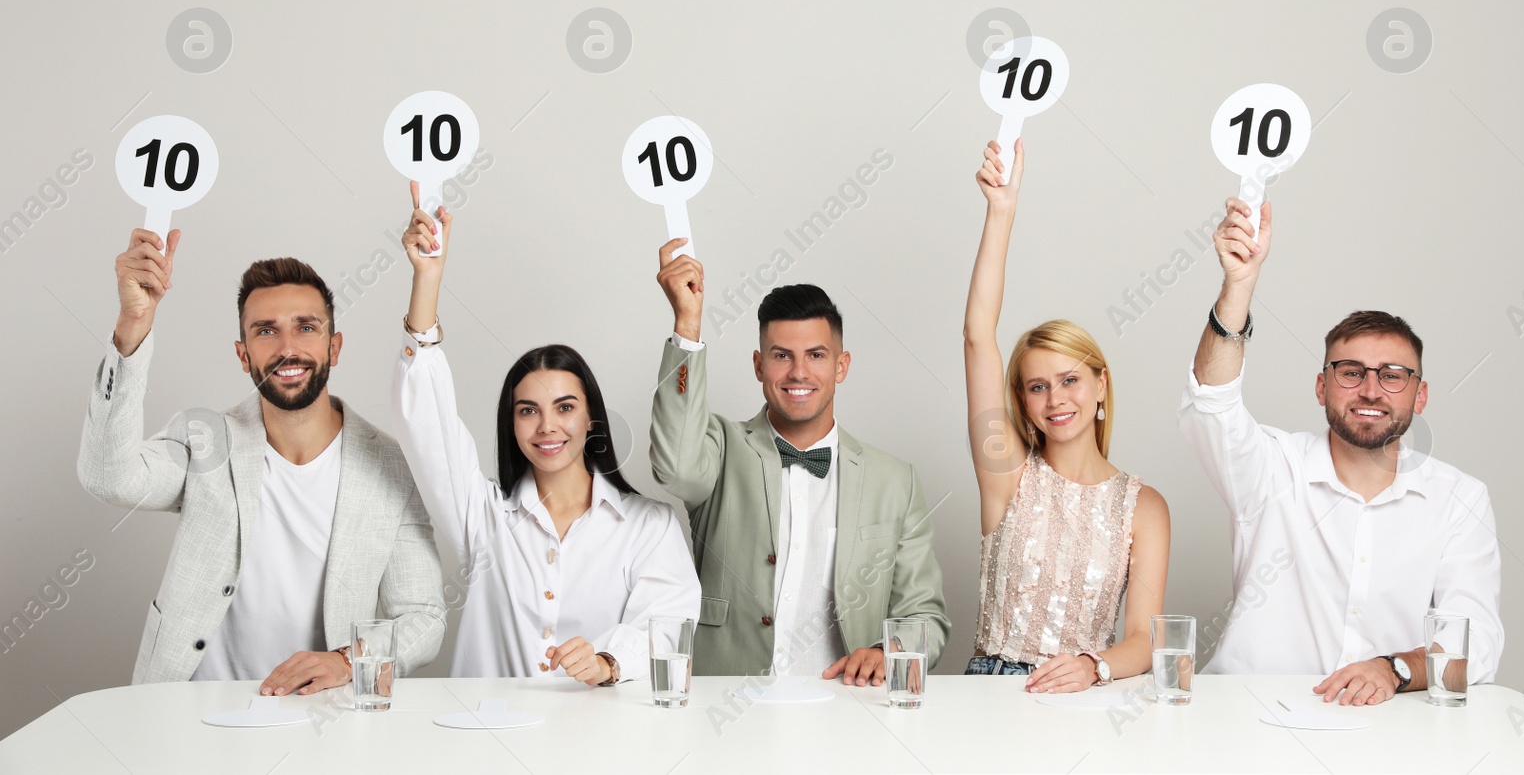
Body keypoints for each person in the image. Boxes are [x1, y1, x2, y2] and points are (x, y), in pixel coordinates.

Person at [79, 229, 445, 693]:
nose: (287, 348)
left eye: (306, 327)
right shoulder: (204, 440)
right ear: (243, 354)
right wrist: (134, 323)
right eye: (266, 331)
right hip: (190, 710)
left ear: (334, 347)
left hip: (322, 714)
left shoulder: (391, 465)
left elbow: (423, 617)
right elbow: (108, 476)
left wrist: (349, 661)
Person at [1178, 197, 1504, 705]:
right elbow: (1210, 404)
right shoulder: (1270, 468)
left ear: (1420, 395)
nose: (1371, 390)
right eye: (1350, 372)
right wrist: (1239, 286)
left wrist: (1394, 668)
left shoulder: (1459, 498)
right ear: (1321, 387)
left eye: (1392, 375)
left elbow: (1477, 643)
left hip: (1385, 727)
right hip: (1246, 720)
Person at [391, 185, 699, 682]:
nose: (547, 426)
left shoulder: (648, 526)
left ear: (591, 420)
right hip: (489, 744)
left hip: (598, 749)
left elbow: (668, 625)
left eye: (565, 407)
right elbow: (425, 422)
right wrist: (427, 280)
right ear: (511, 426)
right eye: (528, 410)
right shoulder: (483, 516)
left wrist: (608, 661)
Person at [650, 240, 950, 683]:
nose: (798, 373)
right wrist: (688, 325)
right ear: (758, 365)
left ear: (841, 366)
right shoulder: (719, 446)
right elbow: (674, 466)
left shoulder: (896, 481)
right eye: (781, 356)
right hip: (726, 705)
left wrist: (892, 650)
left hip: (846, 709)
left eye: (816, 355)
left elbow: (925, 615)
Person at [962, 140, 1170, 693]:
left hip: (1083, 693)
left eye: (1070, 380)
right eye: (1037, 386)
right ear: (1024, 402)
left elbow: (1144, 642)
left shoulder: (1144, 506)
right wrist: (1001, 211)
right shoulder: (1007, 473)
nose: (1056, 398)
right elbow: (978, 336)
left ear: (1100, 385)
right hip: (990, 694)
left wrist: (1092, 666)